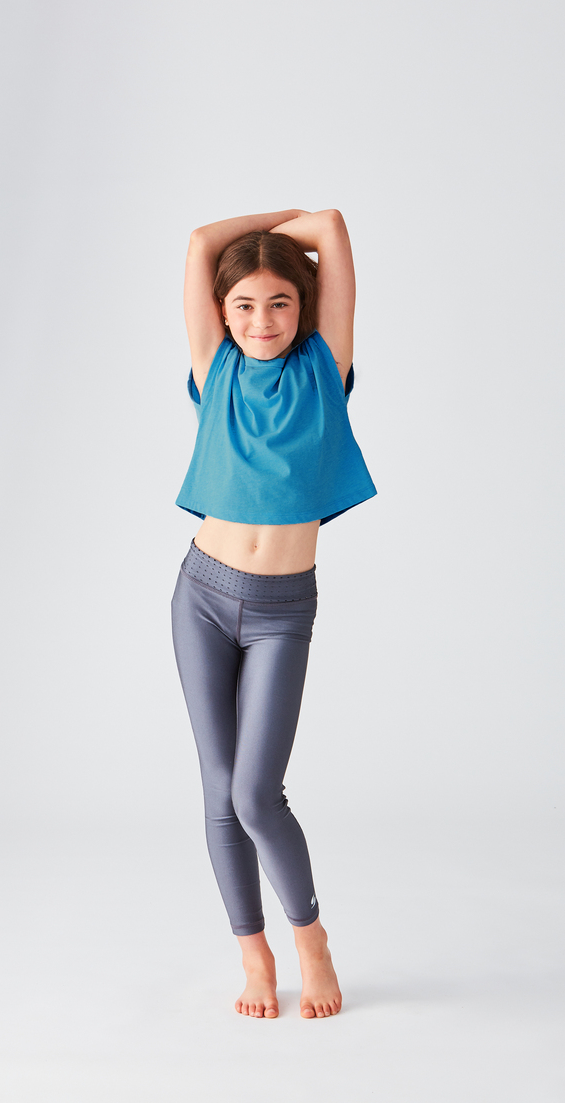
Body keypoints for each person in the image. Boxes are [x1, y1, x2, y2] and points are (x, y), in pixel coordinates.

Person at [171, 208, 376, 1019]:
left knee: (258, 793)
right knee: (220, 792)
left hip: (282, 611)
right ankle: (252, 955)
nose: (263, 320)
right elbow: (200, 245)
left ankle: (310, 939)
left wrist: (279, 244)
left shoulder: (326, 365)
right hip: (200, 596)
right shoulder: (213, 366)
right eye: (245, 304)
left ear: (306, 305)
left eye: (281, 301)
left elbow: (329, 225)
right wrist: (256, 252)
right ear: (223, 314)